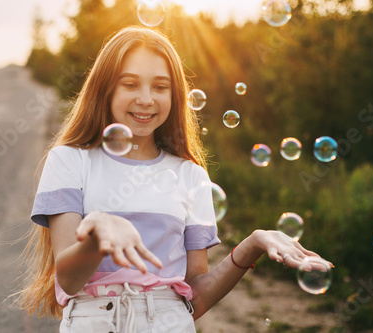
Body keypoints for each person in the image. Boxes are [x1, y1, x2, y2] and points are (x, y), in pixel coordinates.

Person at [17, 26, 331, 332]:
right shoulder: (70, 159)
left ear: (174, 94)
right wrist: (100, 234)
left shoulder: (191, 175)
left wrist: (253, 244)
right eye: (130, 84)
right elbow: (69, 279)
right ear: (106, 89)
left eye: (160, 86)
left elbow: (196, 296)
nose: (146, 98)